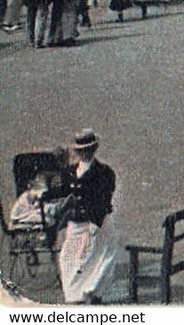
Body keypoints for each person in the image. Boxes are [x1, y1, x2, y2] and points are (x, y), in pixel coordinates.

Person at [42, 130, 124, 304]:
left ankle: (91, 294)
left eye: (87, 149)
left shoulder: (104, 172)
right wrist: (44, 195)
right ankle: (74, 297)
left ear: (94, 149)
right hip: (76, 224)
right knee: (67, 259)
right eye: (79, 150)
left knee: (94, 260)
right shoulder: (70, 171)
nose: (83, 153)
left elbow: (104, 198)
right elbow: (65, 190)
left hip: (97, 224)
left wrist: (96, 223)